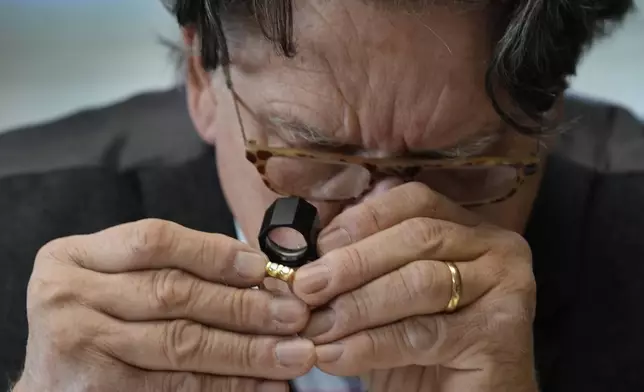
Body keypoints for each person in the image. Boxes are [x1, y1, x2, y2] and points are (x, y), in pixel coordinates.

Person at [4, 0, 639, 391]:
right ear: (202, 80)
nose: (384, 227)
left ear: (549, 113)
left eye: (461, 163)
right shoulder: (17, 220)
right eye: (314, 155)